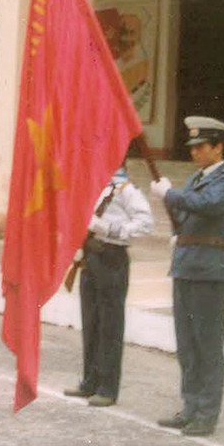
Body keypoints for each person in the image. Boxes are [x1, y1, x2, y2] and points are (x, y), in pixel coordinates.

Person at [150, 116, 224, 437]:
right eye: (193, 146)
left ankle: (206, 412)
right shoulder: (193, 180)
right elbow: (185, 211)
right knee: (187, 345)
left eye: (202, 146)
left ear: (218, 148)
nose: (195, 152)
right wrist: (174, 204)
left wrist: (170, 195)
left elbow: (208, 205)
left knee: (207, 346)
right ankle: (190, 407)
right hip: (186, 266)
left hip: (209, 270)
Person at [64, 165, 153, 407]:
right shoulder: (96, 186)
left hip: (112, 257)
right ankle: (90, 381)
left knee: (110, 325)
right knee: (91, 321)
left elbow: (145, 222)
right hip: (91, 257)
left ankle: (108, 387)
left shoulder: (127, 190)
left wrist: (111, 229)